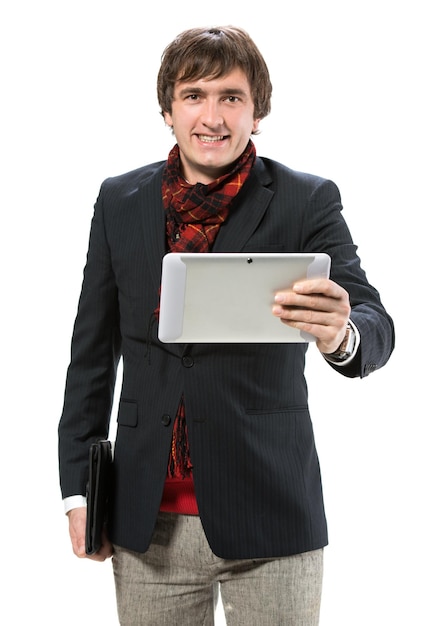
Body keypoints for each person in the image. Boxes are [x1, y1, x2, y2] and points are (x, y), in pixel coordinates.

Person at [58, 25, 395, 625]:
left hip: (272, 511)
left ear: (256, 111)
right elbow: (90, 356)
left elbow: (373, 319)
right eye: (194, 95)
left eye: (231, 97)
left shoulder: (305, 200)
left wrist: (342, 332)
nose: (211, 116)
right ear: (168, 109)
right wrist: (79, 489)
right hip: (145, 520)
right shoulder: (119, 201)